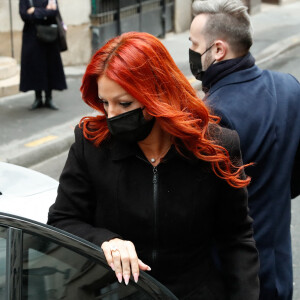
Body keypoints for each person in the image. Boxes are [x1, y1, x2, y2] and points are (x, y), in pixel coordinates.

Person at [47, 31, 259, 299]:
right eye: (104, 103)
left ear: (157, 96)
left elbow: (236, 238)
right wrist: (106, 241)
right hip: (114, 293)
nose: (111, 115)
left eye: (124, 103)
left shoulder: (215, 148)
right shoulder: (91, 145)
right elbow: (62, 221)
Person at [189, 1, 300, 299]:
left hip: (233, 277)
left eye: (194, 45)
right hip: (278, 269)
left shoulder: (210, 116)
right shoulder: (290, 87)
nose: (191, 53)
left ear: (218, 50)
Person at [19, 0, 67, 110]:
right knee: (35, 68)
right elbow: (24, 15)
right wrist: (45, 11)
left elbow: (54, 13)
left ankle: (49, 98)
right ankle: (38, 98)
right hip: (32, 38)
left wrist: (35, 11)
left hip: (49, 36)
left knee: (49, 67)